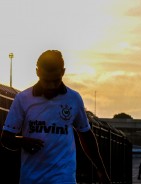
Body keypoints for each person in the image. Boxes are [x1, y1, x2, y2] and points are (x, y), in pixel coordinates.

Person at [0, 50, 111, 184]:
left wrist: (101, 170)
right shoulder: (23, 99)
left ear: (63, 72)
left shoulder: (74, 98)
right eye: (46, 81)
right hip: (31, 179)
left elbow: (86, 135)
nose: (51, 86)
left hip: (64, 178)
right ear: (38, 72)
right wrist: (23, 141)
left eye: (56, 81)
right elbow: (6, 138)